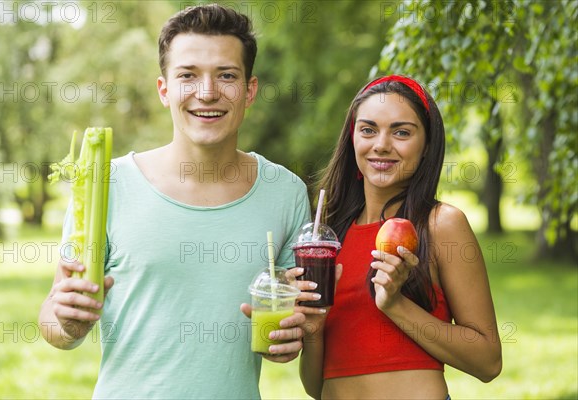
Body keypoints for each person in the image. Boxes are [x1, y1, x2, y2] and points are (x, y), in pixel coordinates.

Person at [38, 4, 312, 399]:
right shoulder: (106, 184)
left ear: (249, 90)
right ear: (164, 90)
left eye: (227, 76)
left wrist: (288, 339)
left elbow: (288, 324)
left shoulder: (284, 191)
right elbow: (53, 319)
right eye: (188, 75)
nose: (207, 92)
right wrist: (67, 323)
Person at [299, 75, 502, 399]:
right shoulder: (330, 236)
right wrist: (313, 331)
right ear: (352, 140)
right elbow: (314, 385)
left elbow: (488, 362)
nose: (381, 144)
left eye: (401, 132)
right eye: (368, 130)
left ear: (427, 145)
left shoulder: (440, 225)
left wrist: (395, 304)